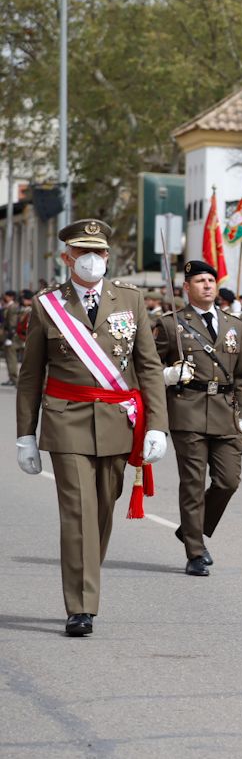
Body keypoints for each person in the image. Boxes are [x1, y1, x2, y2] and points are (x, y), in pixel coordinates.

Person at [15, 218, 169, 636]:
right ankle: (81, 606)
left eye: (98, 252)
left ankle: (86, 574)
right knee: (78, 512)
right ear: (67, 258)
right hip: (67, 419)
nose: (91, 260)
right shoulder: (48, 306)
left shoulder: (131, 300)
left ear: (107, 256)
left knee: (103, 509)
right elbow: (31, 375)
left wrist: (157, 425)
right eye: (82, 253)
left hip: (118, 420)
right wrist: (25, 434)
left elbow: (149, 368)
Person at [153, 260, 242, 576]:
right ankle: (195, 551)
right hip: (188, 410)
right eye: (200, 281)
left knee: (228, 481)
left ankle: (191, 528)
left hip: (225, 411)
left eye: (211, 280)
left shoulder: (235, 324)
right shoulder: (171, 325)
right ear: (187, 287)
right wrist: (167, 374)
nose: (208, 285)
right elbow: (145, 369)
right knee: (193, 484)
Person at [3, 289, 19, 384]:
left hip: (11, 336)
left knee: (11, 358)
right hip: (8, 335)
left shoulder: (13, 307)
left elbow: (12, 324)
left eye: (7, 296)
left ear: (11, 297)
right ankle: (11, 377)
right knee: (8, 358)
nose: (5, 298)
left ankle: (13, 377)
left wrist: (9, 337)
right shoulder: (9, 306)